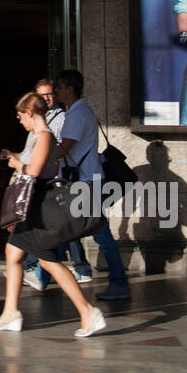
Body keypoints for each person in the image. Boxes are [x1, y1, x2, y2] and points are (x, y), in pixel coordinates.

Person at [0, 92, 106, 338]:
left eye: (21, 115)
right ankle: (10, 312)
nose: (20, 120)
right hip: (34, 206)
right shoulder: (38, 137)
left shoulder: (44, 137)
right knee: (15, 255)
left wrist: (16, 165)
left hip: (37, 207)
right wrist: (15, 157)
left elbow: (35, 171)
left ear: (30, 113)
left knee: (47, 261)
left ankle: (88, 312)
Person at [54, 69, 130, 300]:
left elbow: (65, 147)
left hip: (86, 182)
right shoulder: (81, 111)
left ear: (70, 89)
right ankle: (43, 272)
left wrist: (36, 161)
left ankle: (118, 282)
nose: (56, 91)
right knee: (69, 229)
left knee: (97, 232)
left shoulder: (77, 114)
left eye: (58, 87)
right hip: (88, 180)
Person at [22, 78, 94, 290]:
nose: (47, 98)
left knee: (63, 229)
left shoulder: (59, 120)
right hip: (54, 180)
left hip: (57, 181)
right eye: (41, 95)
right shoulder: (44, 120)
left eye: (50, 93)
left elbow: (56, 153)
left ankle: (54, 272)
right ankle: (65, 269)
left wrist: (22, 164)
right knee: (62, 228)